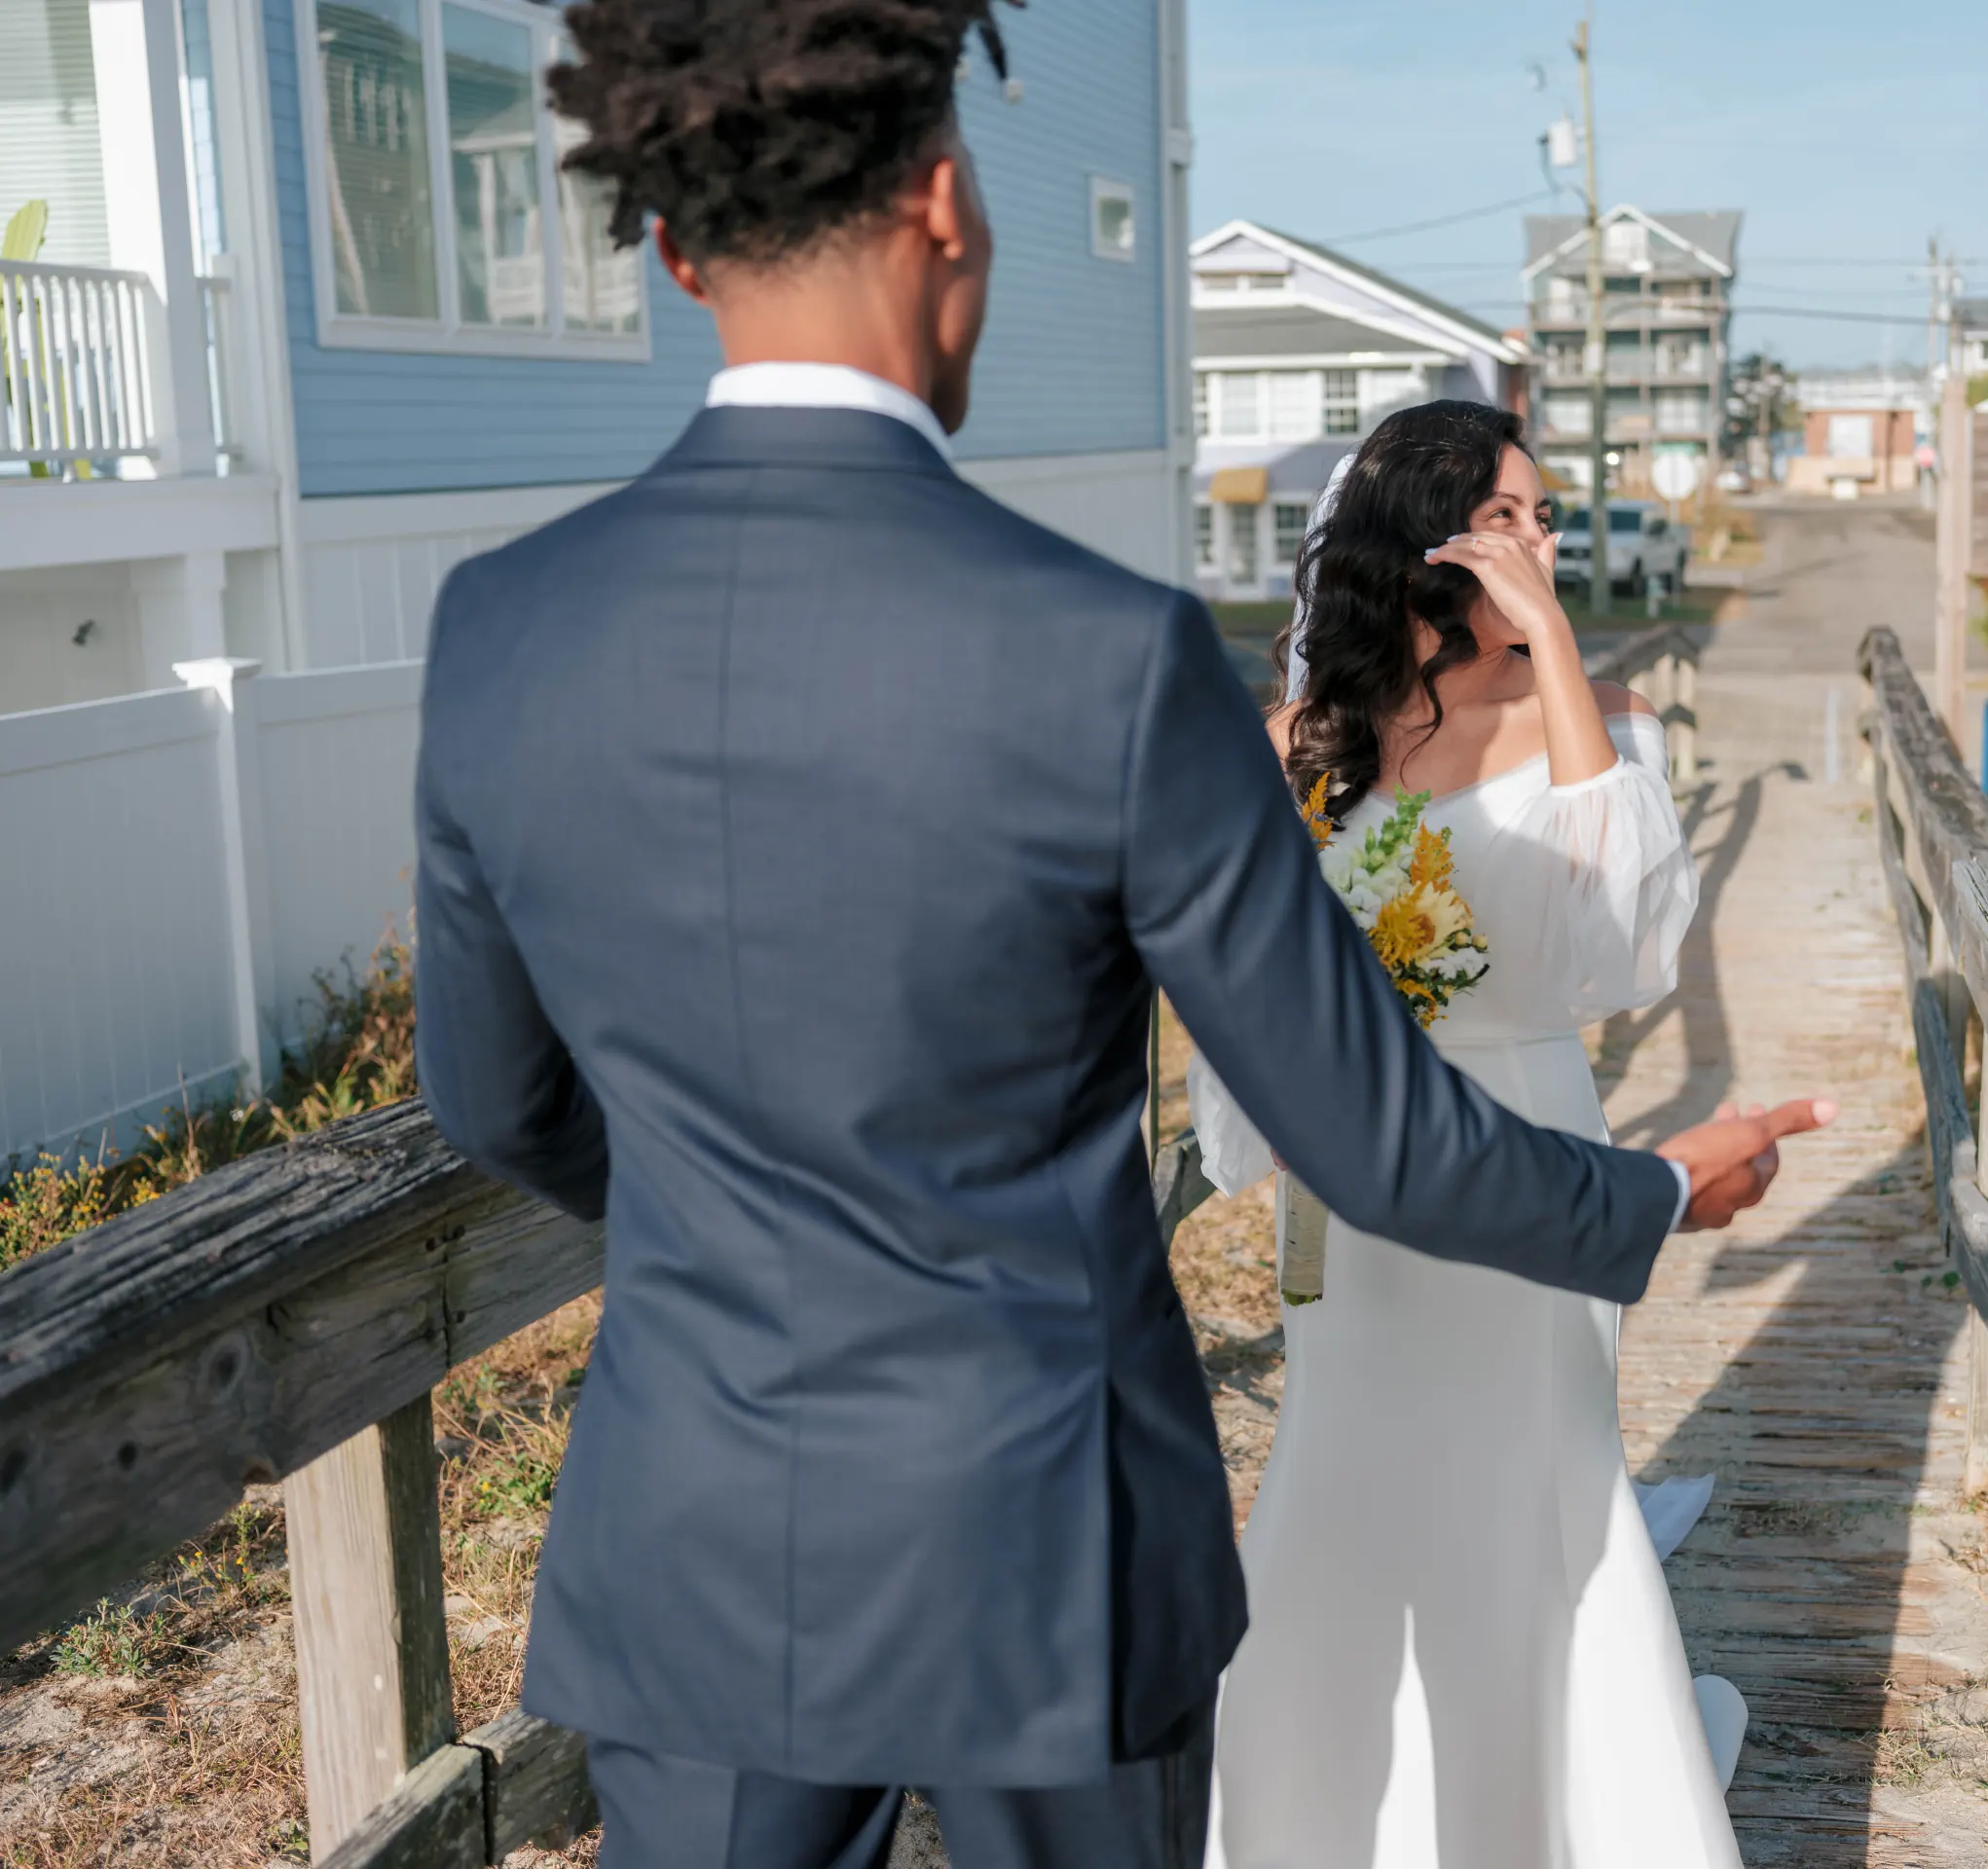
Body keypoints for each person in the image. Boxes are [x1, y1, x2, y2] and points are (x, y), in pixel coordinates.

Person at [411, 3, 1832, 1865]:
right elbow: (1370, 1133)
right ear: (945, 208)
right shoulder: (1106, 652)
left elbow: (496, 1101)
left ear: (673, 254)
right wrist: (1649, 1196)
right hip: (1054, 1538)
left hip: (698, 1535)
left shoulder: (498, 631)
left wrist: (753, 1220)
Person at [1190, 403, 1746, 1868]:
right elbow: (1238, 971)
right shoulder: (1304, 743)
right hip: (1353, 1186)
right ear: (1426, 534)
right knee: (1344, 1478)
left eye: (1548, 518)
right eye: (1515, 515)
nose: (1541, 540)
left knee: (1540, 1476)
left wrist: (1553, 641)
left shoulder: (1597, 712)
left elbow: (1624, 945)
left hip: (1533, 1150)